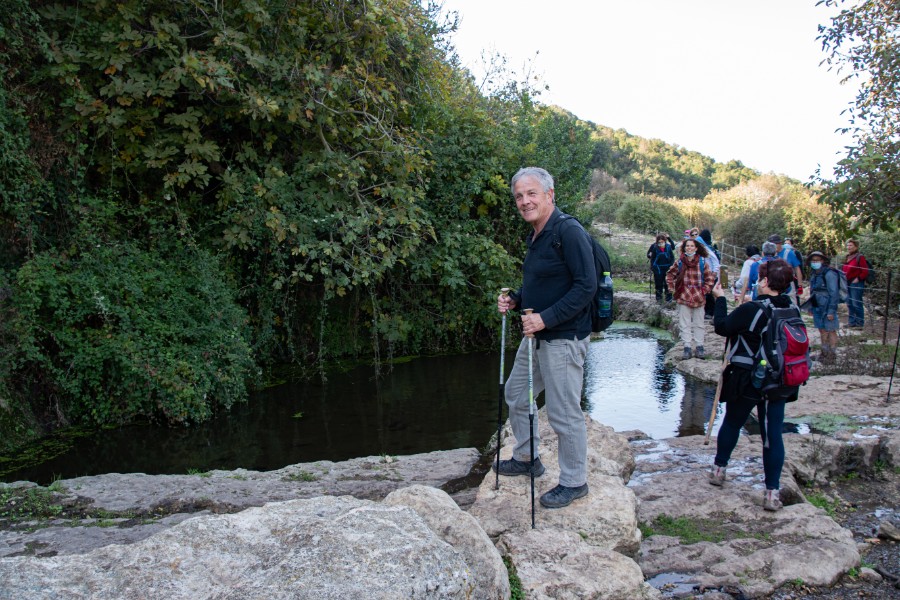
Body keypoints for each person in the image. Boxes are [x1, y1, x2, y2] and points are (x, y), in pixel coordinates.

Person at [495, 167, 595, 509]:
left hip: (563, 337)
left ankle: (574, 481)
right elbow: (546, 283)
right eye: (520, 196)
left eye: (531, 194)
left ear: (549, 195)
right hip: (537, 333)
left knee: (564, 411)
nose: (525, 201)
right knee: (516, 394)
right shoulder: (537, 234)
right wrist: (518, 298)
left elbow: (586, 286)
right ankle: (527, 457)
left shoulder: (568, 231)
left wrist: (544, 318)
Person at [709, 259, 799, 511]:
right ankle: (772, 493)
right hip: (779, 381)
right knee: (772, 436)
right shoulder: (792, 309)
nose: (758, 282)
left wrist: (720, 298)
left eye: (761, 278)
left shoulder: (753, 310)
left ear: (767, 282)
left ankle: (719, 470)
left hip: (748, 379)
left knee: (733, 422)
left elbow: (722, 327)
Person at [666, 238, 716, 359]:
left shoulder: (702, 262)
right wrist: (672, 288)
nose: (689, 248)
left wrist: (705, 290)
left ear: (696, 248)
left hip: (699, 297)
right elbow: (670, 274)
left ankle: (699, 347)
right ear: (684, 248)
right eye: (687, 246)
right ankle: (687, 347)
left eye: (691, 246)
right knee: (685, 324)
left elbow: (710, 278)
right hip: (683, 296)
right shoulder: (680, 262)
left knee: (699, 323)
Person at [803, 250, 839, 364]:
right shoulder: (815, 273)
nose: (815, 262)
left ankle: (832, 354)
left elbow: (834, 292)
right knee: (822, 329)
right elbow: (813, 290)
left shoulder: (829, 273)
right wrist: (811, 307)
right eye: (813, 261)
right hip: (817, 304)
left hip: (827, 304)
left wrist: (831, 310)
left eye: (817, 260)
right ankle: (824, 353)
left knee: (831, 329)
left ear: (823, 261)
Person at [842, 239, 869, 328]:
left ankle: (859, 323)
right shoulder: (848, 257)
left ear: (856, 247)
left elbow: (865, 271)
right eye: (848, 245)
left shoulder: (860, 257)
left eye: (851, 246)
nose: (849, 247)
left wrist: (858, 279)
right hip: (847, 282)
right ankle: (851, 322)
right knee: (849, 303)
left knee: (856, 303)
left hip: (856, 283)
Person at [768, 234, 802, 305]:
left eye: (775, 244)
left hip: (788, 282)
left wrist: (800, 285)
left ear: (780, 243)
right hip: (775, 283)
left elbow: (797, 269)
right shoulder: (771, 254)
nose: (773, 247)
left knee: (792, 302)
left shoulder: (789, 253)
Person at [697, 229, 721, 318]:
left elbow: (715, 262)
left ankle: (710, 312)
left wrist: (714, 273)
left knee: (709, 294)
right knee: (706, 293)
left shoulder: (707, 249)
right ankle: (707, 311)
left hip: (711, 274)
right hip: (705, 275)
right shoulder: (704, 248)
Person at [647, 234, 675, 304]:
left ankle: (668, 299)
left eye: (662, 241)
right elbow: (651, 257)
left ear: (665, 241)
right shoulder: (654, 247)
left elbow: (672, 257)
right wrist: (653, 268)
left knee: (667, 283)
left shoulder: (668, 247)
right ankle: (659, 299)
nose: (661, 243)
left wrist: (672, 266)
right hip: (658, 269)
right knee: (658, 284)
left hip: (668, 268)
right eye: (659, 242)